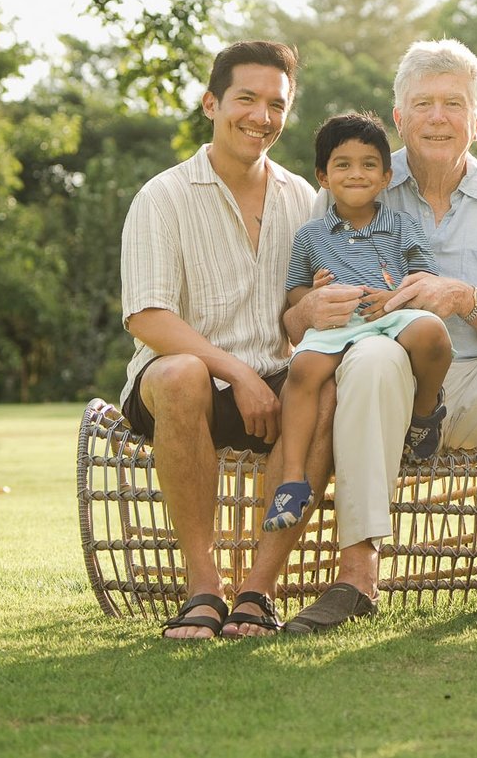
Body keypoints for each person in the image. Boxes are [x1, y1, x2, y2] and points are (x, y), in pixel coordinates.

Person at [280, 40, 477, 632]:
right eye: (422, 103)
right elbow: (295, 312)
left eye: (453, 103)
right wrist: (309, 312)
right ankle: (357, 576)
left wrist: (466, 299)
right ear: (398, 118)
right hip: (386, 387)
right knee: (374, 354)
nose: (437, 117)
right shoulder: (354, 182)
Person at [116, 40, 324, 640]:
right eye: (246, 99)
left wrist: (318, 305)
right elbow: (148, 317)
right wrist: (237, 372)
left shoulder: (304, 201)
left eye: (276, 105)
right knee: (181, 373)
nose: (261, 116)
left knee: (331, 383)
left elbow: (298, 311)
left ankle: (258, 590)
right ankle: (203, 589)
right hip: (181, 384)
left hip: (275, 380)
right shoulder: (163, 197)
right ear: (212, 103)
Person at [264, 113, 453, 531]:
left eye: (368, 164)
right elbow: (294, 294)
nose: (356, 173)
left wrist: (396, 297)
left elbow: (427, 278)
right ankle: (292, 479)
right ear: (323, 176)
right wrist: (313, 297)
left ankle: (424, 416)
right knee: (303, 369)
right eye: (342, 164)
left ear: (386, 176)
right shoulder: (310, 236)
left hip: (391, 314)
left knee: (432, 332)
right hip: (338, 325)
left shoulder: (402, 226)